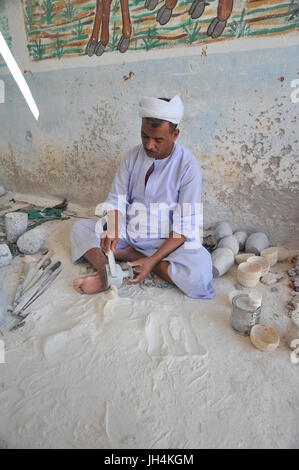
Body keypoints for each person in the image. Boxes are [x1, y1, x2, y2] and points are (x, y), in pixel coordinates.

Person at [70, 95, 214, 299]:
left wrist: (153, 259)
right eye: (144, 136)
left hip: (166, 241)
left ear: (175, 135)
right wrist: (113, 228)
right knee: (80, 229)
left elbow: (185, 226)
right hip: (129, 231)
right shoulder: (132, 157)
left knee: (199, 274)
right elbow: (116, 200)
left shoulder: (188, 167)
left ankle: (133, 256)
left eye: (158, 140)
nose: (149, 145)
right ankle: (107, 274)